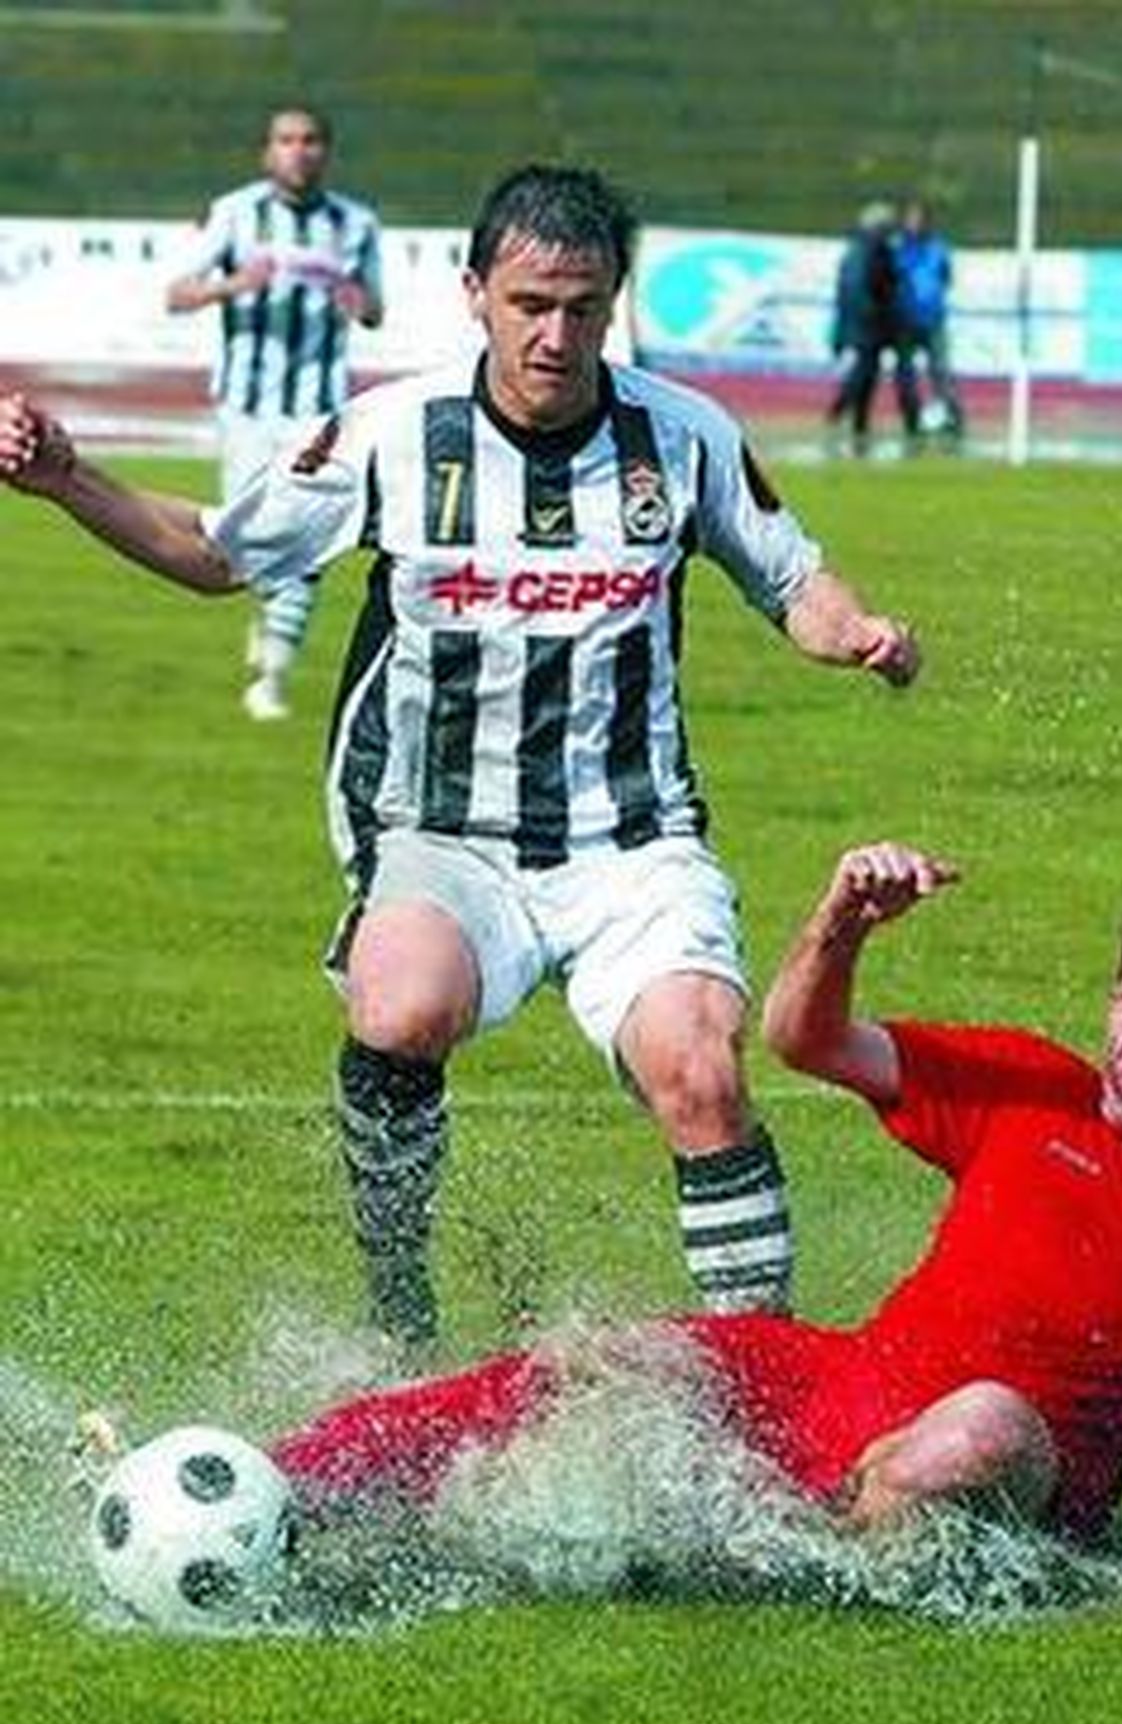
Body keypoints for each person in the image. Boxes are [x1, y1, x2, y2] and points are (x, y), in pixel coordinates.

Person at [0, 166, 920, 1354]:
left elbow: (791, 576)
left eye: (583, 308)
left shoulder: (683, 434)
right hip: (439, 834)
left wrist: (853, 631)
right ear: (474, 291)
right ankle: (400, 1309)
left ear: (614, 302)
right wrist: (66, 480)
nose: (556, 336)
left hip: (631, 839)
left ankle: (767, 1374)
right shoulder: (393, 432)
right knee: (402, 1003)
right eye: (530, 304)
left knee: (699, 1071)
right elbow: (216, 554)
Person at [264, 840, 1122, 1566]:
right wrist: (843, 921)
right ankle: (296, 1478)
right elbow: (800, 1038)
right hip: (846, 1378)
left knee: (974, 1431)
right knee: (602, 1361)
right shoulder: (1029, 1085)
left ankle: (760, 1561)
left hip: (1018, 1459)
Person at [166, 105, 384, 722]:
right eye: (286, 140)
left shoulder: (355, 223)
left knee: (303, 543)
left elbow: (376, 310)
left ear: (325, 151)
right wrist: (233, 286)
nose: (299, 150)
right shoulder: (237, 213)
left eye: (310, 140)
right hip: (247, 407)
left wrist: (358, 300)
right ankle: (269, 618)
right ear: (268, 151)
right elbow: (177, 293)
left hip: (317, 409)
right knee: (242, 544)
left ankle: (271, 678)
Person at [824, 202, 918, 454]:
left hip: (873, 324)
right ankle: (846, 416)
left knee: (866, 375)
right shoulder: (873, 251)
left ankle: (855, 421)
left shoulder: (860, 251)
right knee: (867, 375)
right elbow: (868, 291)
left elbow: (851, 294)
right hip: (875, 324)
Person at [892, 198, 964, 441]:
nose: (913, 224)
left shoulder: (938, 248)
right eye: (909, 219)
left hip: (933, 319)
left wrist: (933, 297)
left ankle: (954, 418)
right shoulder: (898, 248)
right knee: (905, 374)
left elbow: (946, 277)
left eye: (917, 219)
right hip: (904, 320)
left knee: (941, 371)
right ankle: (911, 421)